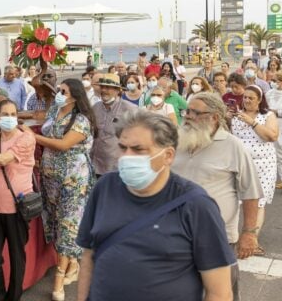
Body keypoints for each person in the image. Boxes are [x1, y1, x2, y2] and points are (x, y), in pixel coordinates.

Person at [76, 111, 234, 301]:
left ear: (168, 155)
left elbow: (219, 292)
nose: (126, 157)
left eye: (138, 149)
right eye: (123, 148)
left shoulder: (197, 205)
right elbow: (88, 255)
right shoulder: (105, 187)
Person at [172, 92, 262, 299]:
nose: (188, 116)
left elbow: (250, 192)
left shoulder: (233, 145)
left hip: (218, 236)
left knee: (221, 293)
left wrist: (249, 233)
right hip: (176, 235)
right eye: (187, 111)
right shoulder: (177, 141)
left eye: (196, 113)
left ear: (214, 117)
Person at [28, 78, 95, 301]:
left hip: (73, 179)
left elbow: (63, 144)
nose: (58, 93)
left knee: (68, 224)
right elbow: (43, 125)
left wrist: (33, 137)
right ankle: (73, 263)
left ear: (75, 95)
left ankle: (58, 281)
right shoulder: (54, 111)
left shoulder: (82, 120)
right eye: (58, 90)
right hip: (51, 179)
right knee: (56, 221)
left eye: (63, 91)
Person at [0, 100, 36, 301]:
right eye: (5, 114)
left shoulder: (26, 138)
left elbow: (3, 159)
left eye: (13, 114)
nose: (10, 118)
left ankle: (13, 297)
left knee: (16, 256)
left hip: (16, 207)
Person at [230, 85, 278, 255]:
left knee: (258, 201)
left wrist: (252, 122)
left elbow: (271, 136)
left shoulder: (267, 115)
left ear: (259, 100)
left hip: (263, 164)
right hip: (239, 163)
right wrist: (227, 118)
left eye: (251, 98)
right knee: (235, 200)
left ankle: (252, 239)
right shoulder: (236, 115)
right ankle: (233, 236)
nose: (247, 100)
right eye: (245, 97)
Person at [91, 74, 139, 176]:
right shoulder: (95, 107)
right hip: (95, 165)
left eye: (108, 87)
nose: (103, 90)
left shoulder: (129, 109)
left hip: (117, 167)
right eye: (102, 87)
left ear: (117, 90)